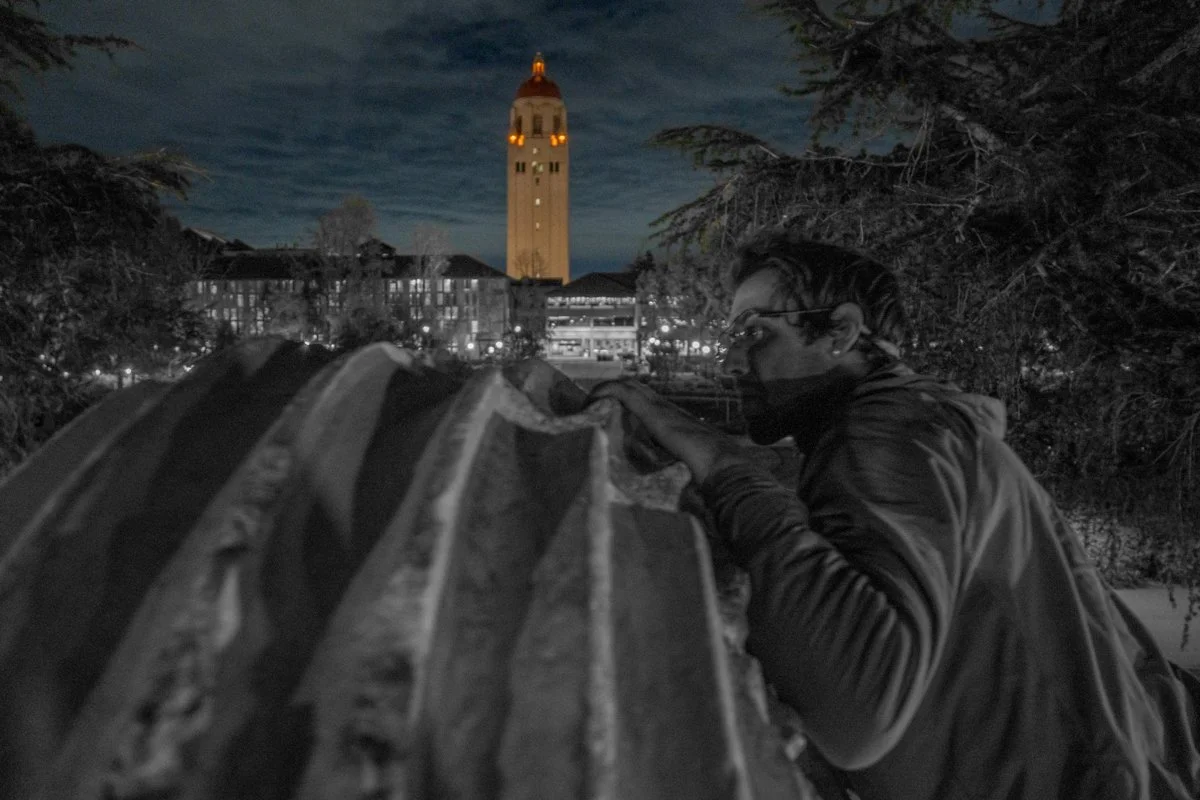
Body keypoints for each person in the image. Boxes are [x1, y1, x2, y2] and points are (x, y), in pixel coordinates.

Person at [590, 228, 1200, 800]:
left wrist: (727, 469)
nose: (729, 361)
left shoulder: (887, 434)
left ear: (840, 331)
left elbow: (856, 711)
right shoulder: (923, 425)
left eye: (754, 332)